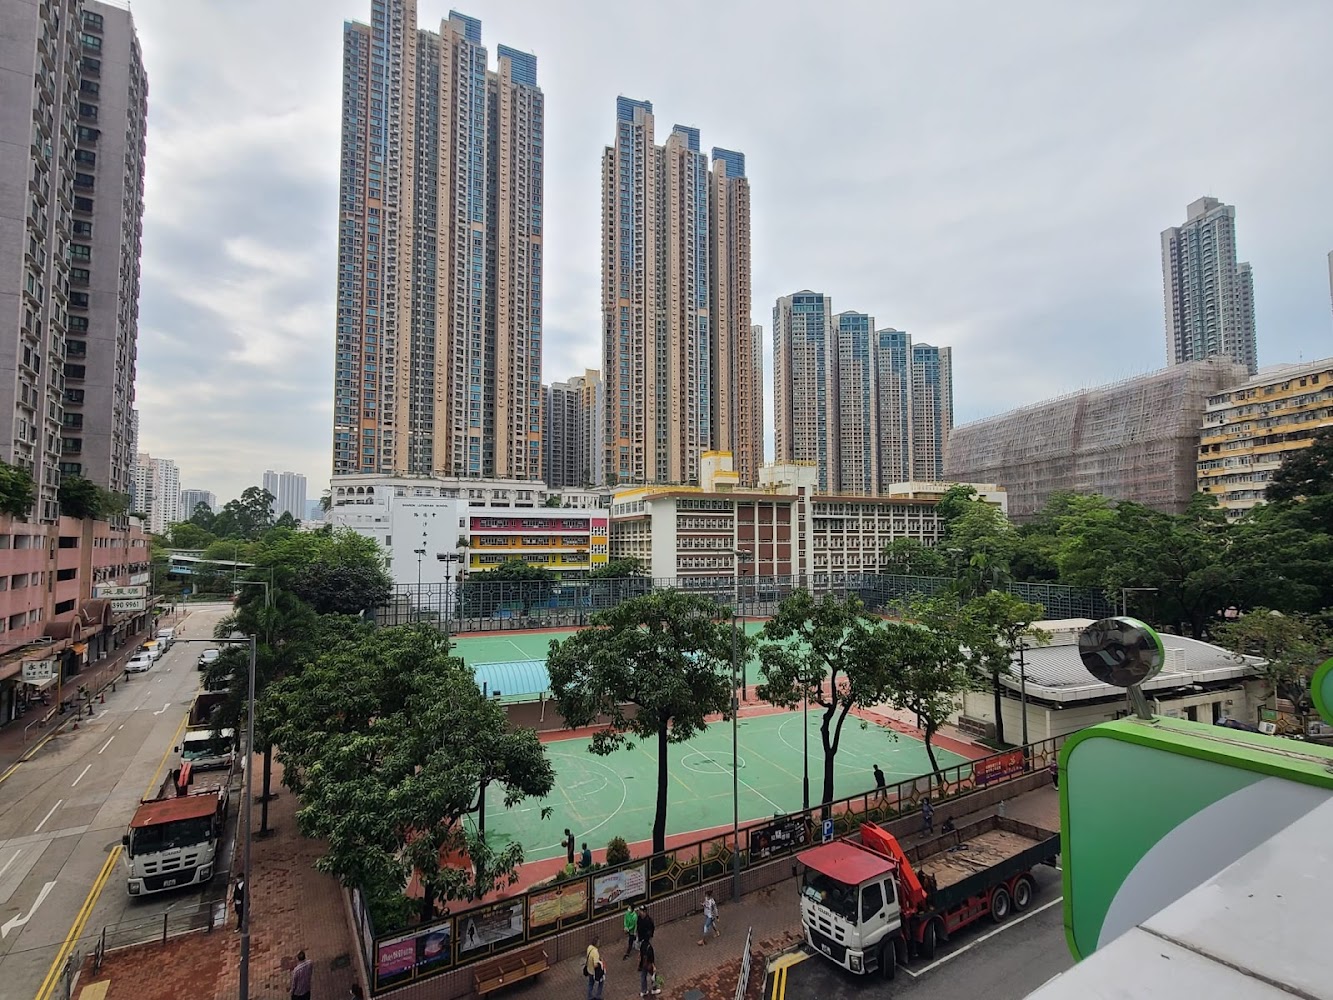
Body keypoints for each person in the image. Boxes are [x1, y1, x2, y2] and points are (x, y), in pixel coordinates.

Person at [584, 935, 601, 1000]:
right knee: (600, 982)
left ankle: (589, 996)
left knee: (590, 984)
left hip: (589, 969)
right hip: (593, 971)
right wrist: (600, 963)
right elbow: (595, 965)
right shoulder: (595, 952)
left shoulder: (589, 947)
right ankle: (597, 997)